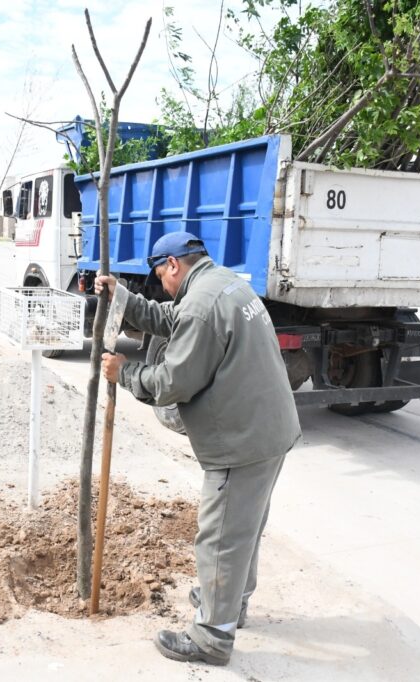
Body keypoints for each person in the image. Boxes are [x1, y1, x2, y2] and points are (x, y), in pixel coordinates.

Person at [98, 231, 301, 666]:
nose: (162, 285)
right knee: (243, 529)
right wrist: (124, 298)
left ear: (173, 265)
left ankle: (211, 635)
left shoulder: (203, 304)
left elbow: (173, 381)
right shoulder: (223, 283)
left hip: (241, 440)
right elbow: (173, 317)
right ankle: (231, 604)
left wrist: (126, 372)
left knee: (221, 538)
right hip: (270, 430)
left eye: (160, 275)